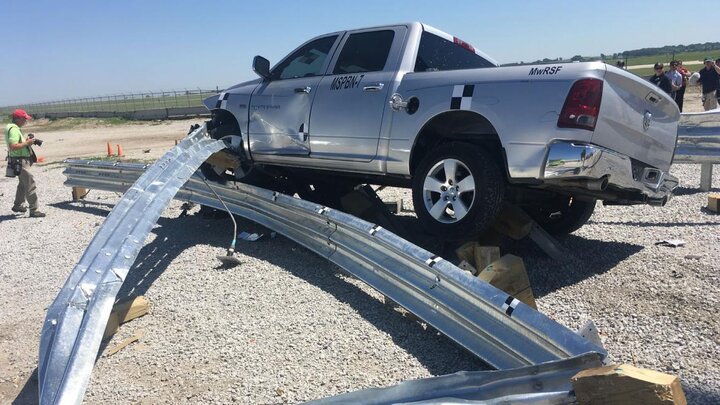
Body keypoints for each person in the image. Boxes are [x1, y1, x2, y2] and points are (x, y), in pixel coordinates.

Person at [4, 109, 45, 217]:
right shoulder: (13, 129)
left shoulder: (13, 128)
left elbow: (15, 144)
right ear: (18, 119)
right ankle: (34, 210)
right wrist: (27, 142)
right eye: (24, 119)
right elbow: (13, 146)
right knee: (30, 184)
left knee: (22, 184)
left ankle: (18, 205)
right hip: (20, 161)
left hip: (18, 160)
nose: (26, 121)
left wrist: (26, 142)